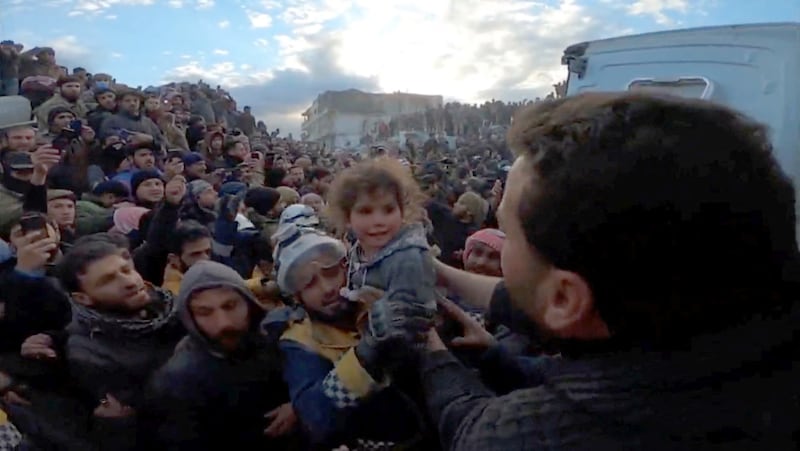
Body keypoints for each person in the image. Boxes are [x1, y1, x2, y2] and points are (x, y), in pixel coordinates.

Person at [409, 93, 800, 450]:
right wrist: (441, 273)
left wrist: (432, 348)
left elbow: (466, 426)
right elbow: (545, 302)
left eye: (507, 233)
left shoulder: (535, 435)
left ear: (565, 299)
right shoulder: (740, 330)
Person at [262, 225, 433, 449]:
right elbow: (316, 415)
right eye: (309, 283)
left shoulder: (375, 297)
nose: (327, 288)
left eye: (331, 272)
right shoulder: (300, 341)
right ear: (297, 296)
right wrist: (367, 353)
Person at [145, 260, 298, 450]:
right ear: (190, 317)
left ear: (248, 302)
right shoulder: (177, 383)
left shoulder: (280, 336)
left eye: (230, 306)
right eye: (205, 312)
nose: (223, 323)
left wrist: (300, 405)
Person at [327, 157, 436, 317]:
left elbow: (406, 326)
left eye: (389, 210)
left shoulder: (406, 260)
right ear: (347, 218)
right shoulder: (358, 250)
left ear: (402, 211)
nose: (379, 221)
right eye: (365, 211)